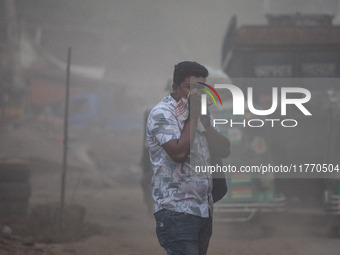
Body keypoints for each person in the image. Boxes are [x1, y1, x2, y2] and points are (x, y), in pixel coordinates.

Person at [146, 61, 230, 255]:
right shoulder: (163, 113)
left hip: (202, 210)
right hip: (176, 211)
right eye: (190, 88)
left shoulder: (203, 113)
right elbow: (179, 153)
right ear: (175, 88)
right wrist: (193, 117)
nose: (196, 94)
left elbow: (224, 149)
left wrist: (204, 123)